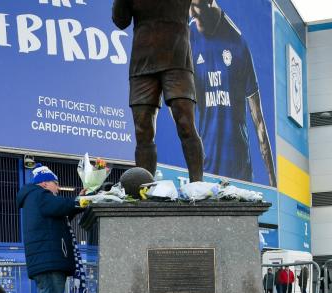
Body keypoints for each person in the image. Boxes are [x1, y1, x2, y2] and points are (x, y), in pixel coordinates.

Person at [112, 0, 204, 182]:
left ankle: (197, 184)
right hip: (142, 64)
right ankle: (144, 189)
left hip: (177, 60)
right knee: (142, 130)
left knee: (185, 123)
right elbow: (120, 21)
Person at [189, 0, 276, 186]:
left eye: (194, 6)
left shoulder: (238, 44)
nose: (190, 14)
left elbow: (258, 119)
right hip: (206, 169)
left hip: (239, 171)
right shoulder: (189, 37)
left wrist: (273, 182)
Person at [17, 165, 84, 293]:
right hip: (50, 264)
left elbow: (61, 211)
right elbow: (61, 206)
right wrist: (81, 200)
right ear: (45, 182)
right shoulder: (40, 195)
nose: (57, 188)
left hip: (46, 263)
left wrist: (77, 202)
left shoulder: (36, 199)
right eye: (56, 184)